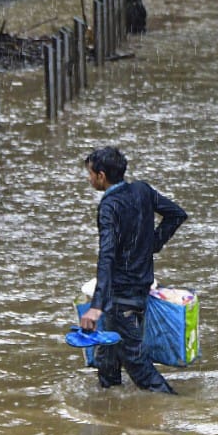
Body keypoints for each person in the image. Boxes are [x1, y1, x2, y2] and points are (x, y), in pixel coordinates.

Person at [79, 146, 188, 393]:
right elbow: (176, 215)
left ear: (102, 176)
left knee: (138, 365)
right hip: (139, 288)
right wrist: (154, 242)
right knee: (107, 359)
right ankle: (111, 412)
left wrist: (96, 306)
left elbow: (106, 255)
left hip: (120, 297)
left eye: (90, 174)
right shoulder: (142, 190)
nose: (89, 179)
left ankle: (177, 408)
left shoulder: (109, 206)